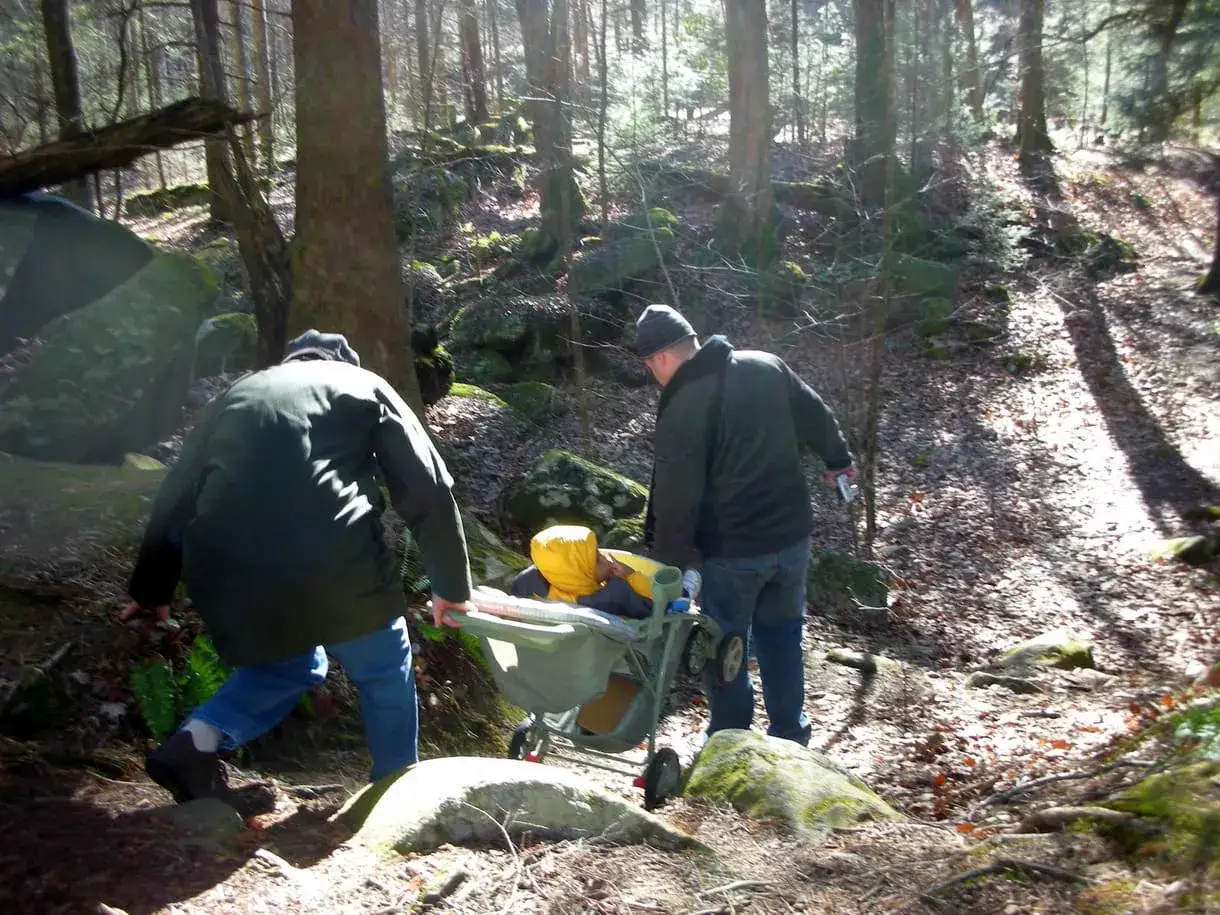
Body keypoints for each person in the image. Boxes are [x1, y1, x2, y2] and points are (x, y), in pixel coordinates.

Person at [120, 329, 474, 812]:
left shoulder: (236, 394)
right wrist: (451, 586)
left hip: (225, 564)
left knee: (288, 665)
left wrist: (151, 587)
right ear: (341, 361)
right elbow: (427, 489)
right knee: (383, 669)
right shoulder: (362, 384)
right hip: (334, 556)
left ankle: (193, 746)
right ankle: (398, 797)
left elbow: (175, 496)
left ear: (289, 361)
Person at [633, 304, 857, 746]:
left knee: (725, 646)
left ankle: (730, 739)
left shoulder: (684, 403)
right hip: (791, 539)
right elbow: (814, 413)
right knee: (783, 636)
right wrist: (839, 459)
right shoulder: (765, 365)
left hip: (732, 554)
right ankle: (791, 737)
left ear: (660, 357)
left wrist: (673, 567)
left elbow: (677, 497)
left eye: (648, 366)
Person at [511, 524, 656, 619]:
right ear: (580, 573)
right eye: (597, 559)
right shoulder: (615, 595)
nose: (606, 559)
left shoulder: (527, 586)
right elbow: (654, 607)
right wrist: (630, 575)